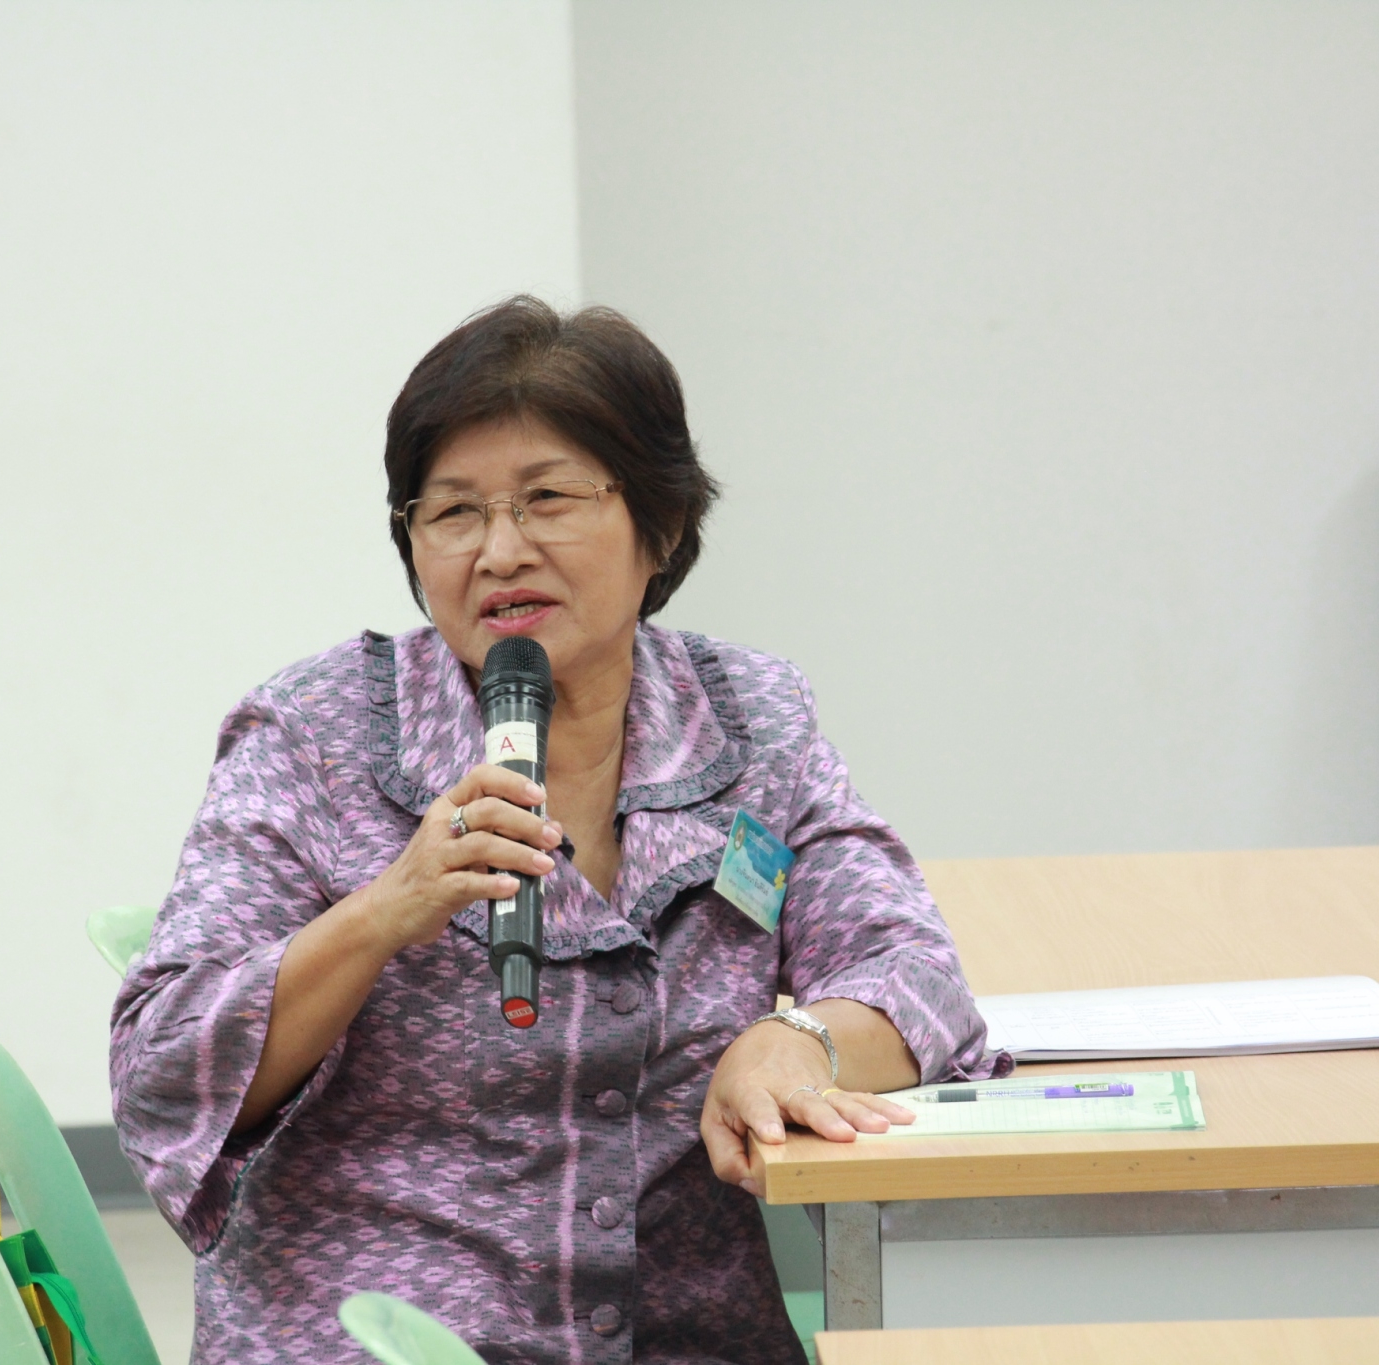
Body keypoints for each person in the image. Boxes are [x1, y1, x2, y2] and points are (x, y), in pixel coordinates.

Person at [110, 298, 1007, 1365]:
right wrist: (382, 913)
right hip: (374, 1338)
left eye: (547, 499)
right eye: (453, 512)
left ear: (659, 526)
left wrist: (797, 1039)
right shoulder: (317, 736)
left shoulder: (749, 722)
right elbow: (161, 1067)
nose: (500, 551)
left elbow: (915, 971)